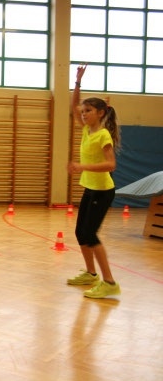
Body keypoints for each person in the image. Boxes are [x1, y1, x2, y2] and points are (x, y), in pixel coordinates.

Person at [67, 63, 121, 299]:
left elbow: (111, 165)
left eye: (88, 111)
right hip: (90, 188)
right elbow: (73, 107)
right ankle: (91, 274)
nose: (83, 114)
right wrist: (78, 81)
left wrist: (81, 167)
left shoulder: (103, 134)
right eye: (83, 111)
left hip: (103, 191)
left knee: (91, 235)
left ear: (100, 113)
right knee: (81, 233)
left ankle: (109, 282)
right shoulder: (86, 130)